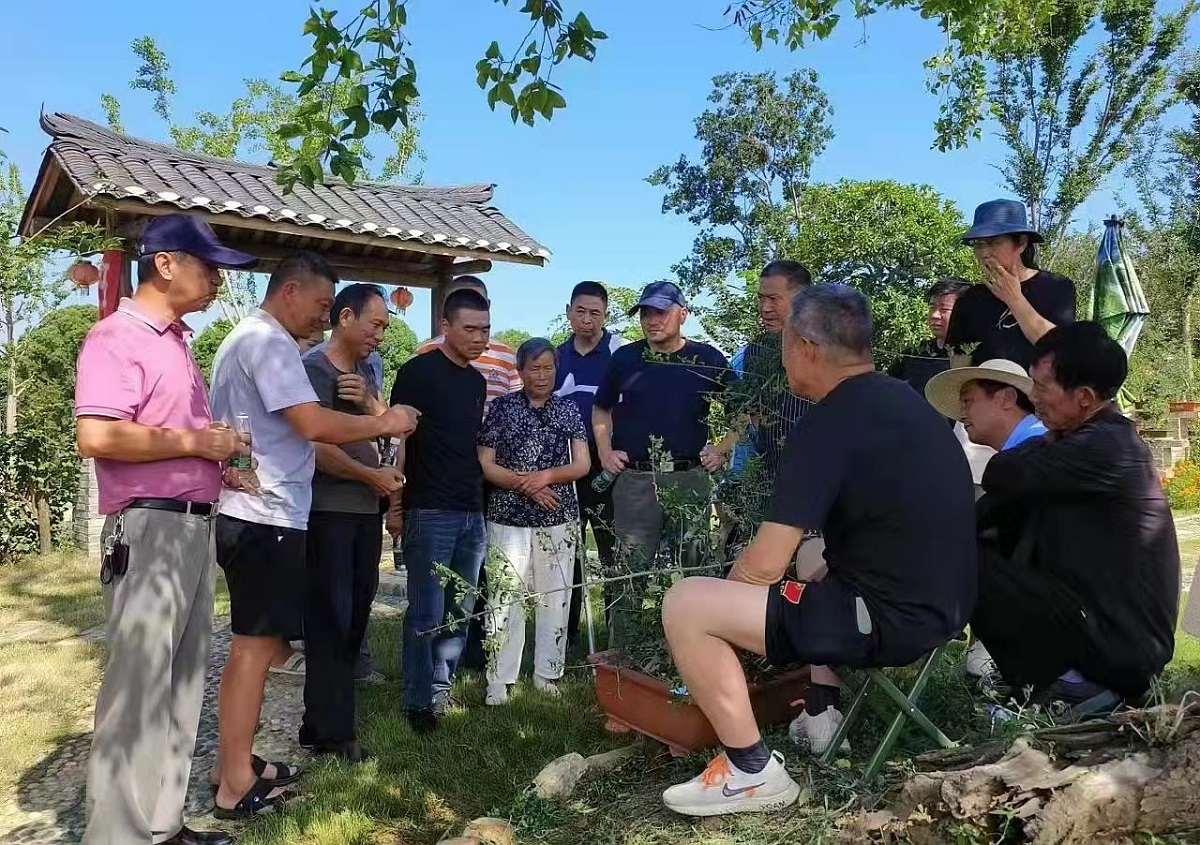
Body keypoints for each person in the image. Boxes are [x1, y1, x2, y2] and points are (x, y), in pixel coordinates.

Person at [658, 284, 976, 818]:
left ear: (805, 347)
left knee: (687, 604)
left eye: (784, 342)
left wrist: (720, 627)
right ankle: (821, 704)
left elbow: (761, 568)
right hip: (947, 608)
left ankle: (751, 772)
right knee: (810, 557)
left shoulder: (828, 423)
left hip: (888, 620)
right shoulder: (906, 402)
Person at [208, 253, 417, 818]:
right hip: (266, 515)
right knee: (255, 651)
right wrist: (383, 421)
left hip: (261, 510)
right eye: (323, 305)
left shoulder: (243, 339)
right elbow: (312, 425)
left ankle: (234, 764)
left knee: (255, 648)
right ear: (291, 291)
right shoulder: (270, 343)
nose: (323, 318)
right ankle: (234, 783)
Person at [74, 214, 255, 845]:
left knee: (181, 682)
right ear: (167, 263)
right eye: (210, 267)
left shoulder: (176, 342)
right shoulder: (115, 337)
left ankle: (162, 824)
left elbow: (169, 436)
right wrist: (197, 442)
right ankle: (117, 835)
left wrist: (219, 464)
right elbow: (97, 435)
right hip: (151, 530)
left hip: (193, 525)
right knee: (139, 687)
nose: (218, 282)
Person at [970, 322, 1180, 704]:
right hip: (1098, 626)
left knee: (965, 562)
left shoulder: (1108, 446)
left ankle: (1072, 685)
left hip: (1122, 647)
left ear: (1084, 397)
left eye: (1042, 388)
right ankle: (1042, 677)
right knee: (979, 536)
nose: (1033, 398)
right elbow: (997, 499)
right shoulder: (1082, 440)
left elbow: (1002, 473)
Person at [593, 281, 735, 646]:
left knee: (696, 570)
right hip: (636, 482)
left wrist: (722, 448)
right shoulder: (625, 358)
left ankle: (699, 651)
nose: (652, 320)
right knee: (629, 575)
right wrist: (605, 451)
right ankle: (624, 657)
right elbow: (600, 409)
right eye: (645, 313)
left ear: (682, 314)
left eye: (661, 312)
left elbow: (743, 408)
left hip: (689, 480)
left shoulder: (707, 358)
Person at [299, 283, 401, 760]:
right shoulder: (313, 370)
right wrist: (369, 475)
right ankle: (331, 733)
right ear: (345, 318)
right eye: (374, 324)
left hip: (364, 511)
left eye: (384, 326)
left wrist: (369, 405)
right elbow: (315, 446)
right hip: (328, 511)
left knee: (356, 616)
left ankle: (328, 721)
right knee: (331, 621)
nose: (379, 335)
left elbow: (396, 425)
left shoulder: (364, 372)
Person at [387, 288, 490, 733]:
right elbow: (398, 442)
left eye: (485, 329)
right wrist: (395, 505)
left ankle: (441, 689)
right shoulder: (417, 373)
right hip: (429, 509)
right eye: (470, 329)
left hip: (472, 508)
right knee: (426, 611)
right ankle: (417, 701)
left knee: (460, 609)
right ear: (445, 326)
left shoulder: (477, 382)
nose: (479, 338)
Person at [478, 338, 591, 704]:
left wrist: (546, 477)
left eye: (548, 368)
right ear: (520, 371)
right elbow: (486, 463)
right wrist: (525, 485)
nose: (542, 376)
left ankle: (548, 673)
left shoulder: (568, 409)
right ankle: (499, 678)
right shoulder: (501, 408)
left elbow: (582, 464)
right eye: (534, 368)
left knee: (555, 596)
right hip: (507, 515)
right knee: (504, 594)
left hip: (557, 514)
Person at [553, 281, 625, 648]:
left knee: (613, 552)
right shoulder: (555, 357)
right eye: (580, 311)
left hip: (608, 469)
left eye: (595, 313)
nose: (587, 319)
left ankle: (617, 634)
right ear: (568, 312)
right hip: (565, 469)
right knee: (567, 553)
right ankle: (565, 633)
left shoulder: (619, 353)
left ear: (605, 315)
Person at [947, 199, 1076, 369]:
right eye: (979, 244)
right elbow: (959, 366)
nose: (985, 253)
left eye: (994, 242)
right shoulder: (969, 299)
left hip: (1036, 386)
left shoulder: (1056, 287)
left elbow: (1062, 352)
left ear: (1021, 243)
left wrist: (1015, 299)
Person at [414, 275, 520, 405]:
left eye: (476, 300)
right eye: (461, 301)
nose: (470, 305)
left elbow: (517, 405)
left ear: (488, 304)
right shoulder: (423, 356)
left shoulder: (508, 357)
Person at [889, 278, 971, 396]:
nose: (934, 315)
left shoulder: (978, 357)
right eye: (932, 308)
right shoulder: (912, 355)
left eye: (944, 309)